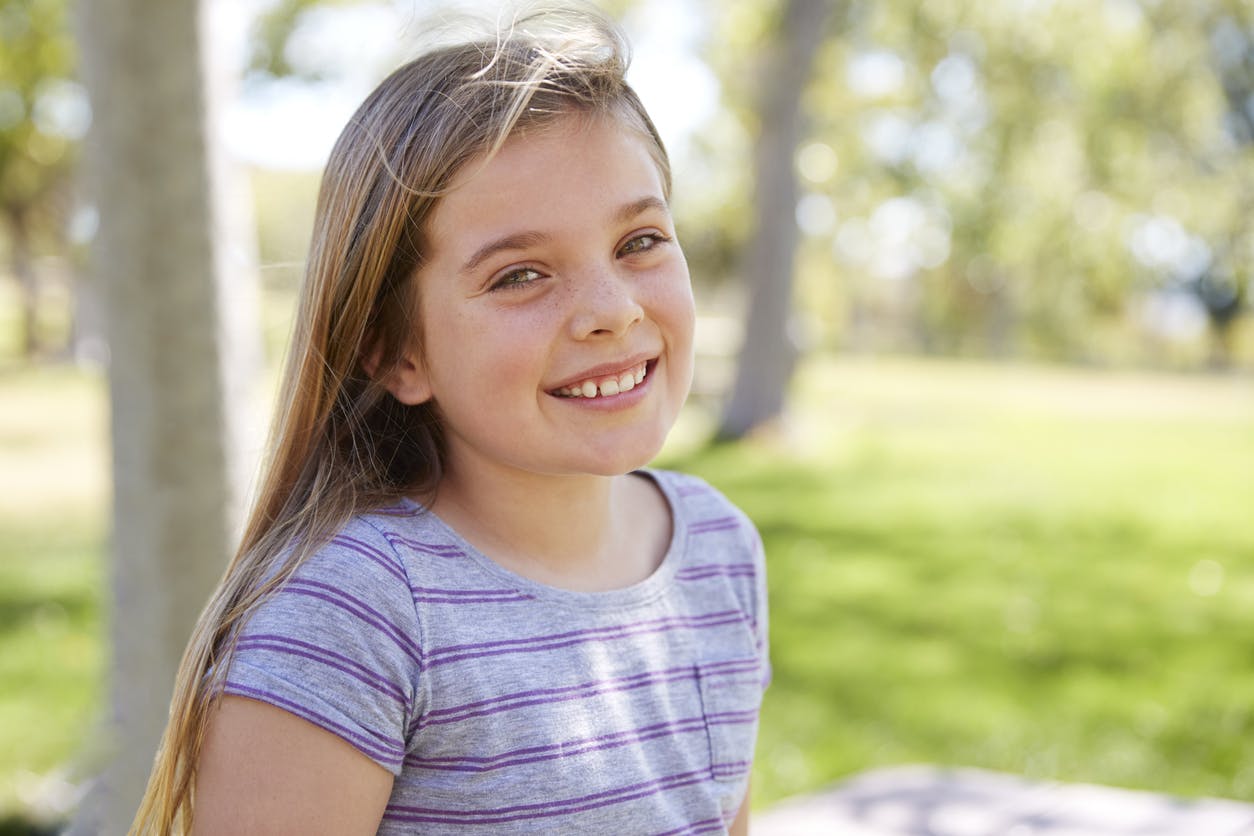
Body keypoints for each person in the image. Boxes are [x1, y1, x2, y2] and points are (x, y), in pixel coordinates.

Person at [133, 5, 769, 834]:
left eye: (639, 241)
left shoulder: (720, 552)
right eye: (520, 276)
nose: (611, 310)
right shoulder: (352, 614)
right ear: (398, 353)